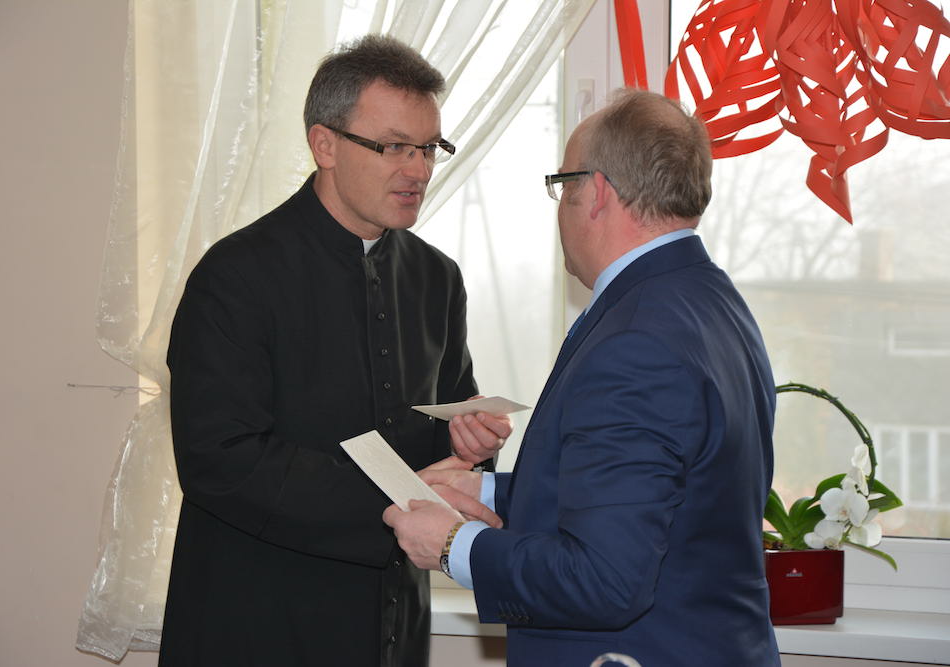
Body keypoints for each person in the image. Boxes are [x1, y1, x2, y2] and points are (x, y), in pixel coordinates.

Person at [384, 88, 781, 666]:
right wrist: (486, 493)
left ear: (595, 192)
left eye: (562, 184)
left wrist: (453, 546)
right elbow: (651, 497)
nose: (560, 206)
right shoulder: (711, 300)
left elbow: (605, 580)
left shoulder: (637, 341)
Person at [159, 35, 509, 667]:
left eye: (429, 147)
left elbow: (436, 433)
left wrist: (469, 444)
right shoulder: (235, 275)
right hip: (260, 620)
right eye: (394, 146)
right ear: (325, 145)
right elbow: (221, 459)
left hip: (393, 621)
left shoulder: (437, 277)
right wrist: (394, 502)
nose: (419, 170)